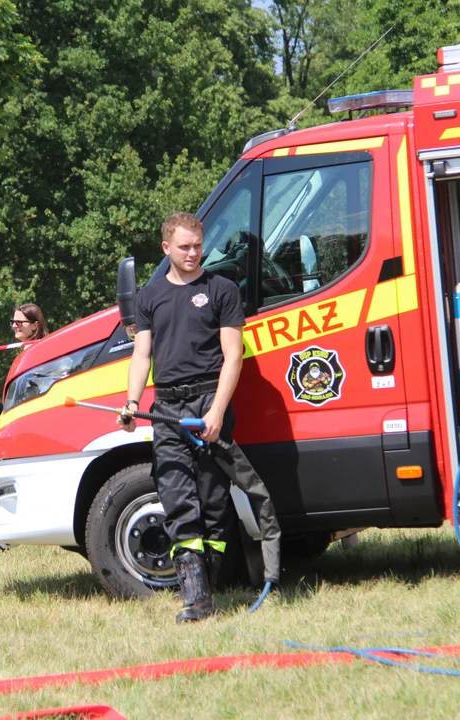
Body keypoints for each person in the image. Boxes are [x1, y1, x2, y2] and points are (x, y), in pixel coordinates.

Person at [118, 211, 281, 623]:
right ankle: (197, 597)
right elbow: (142, 355)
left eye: (197, 246)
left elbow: (233, 357)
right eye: (184, 246)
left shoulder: (222, 289)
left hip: (209, 404)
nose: (193, 253)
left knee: (212, 501)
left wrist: (216, 411)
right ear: (166, 248)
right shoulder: (150, 296)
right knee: (177, 500)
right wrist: (132, 404)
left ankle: (215, 583)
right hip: (168, 412)